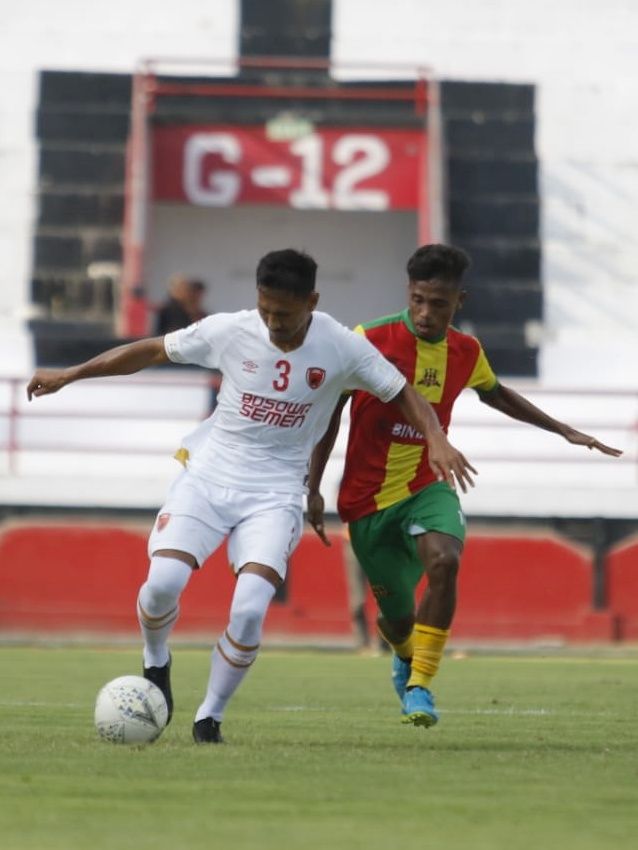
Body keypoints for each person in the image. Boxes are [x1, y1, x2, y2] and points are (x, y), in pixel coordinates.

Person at [26, 248, 476, 745]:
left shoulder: (342, 346)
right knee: (161, 586)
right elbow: (151, 350)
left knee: (248, 609)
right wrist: (71, 374)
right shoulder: (230, 330)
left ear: (312, 301)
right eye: (265, 309)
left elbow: (402, 392)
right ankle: (157, 661)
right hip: (207, 477)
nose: (273, 322)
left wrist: (435, 438)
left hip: (276, 492)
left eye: (284, 314)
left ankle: (208, 718)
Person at [306, 243, 623, 729]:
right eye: (417, 300)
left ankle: (420, 686)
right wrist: (313, 485)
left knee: (445, 561)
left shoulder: (465, 351)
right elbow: (329, 414)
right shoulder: (368, 339)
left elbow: (497, 394)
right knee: (395, 620)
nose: (426, 313)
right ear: (408, 294)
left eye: (438, 303)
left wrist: (564, 430)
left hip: (428, 483)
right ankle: (404, 655)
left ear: (460, 301)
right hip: (366, 499)